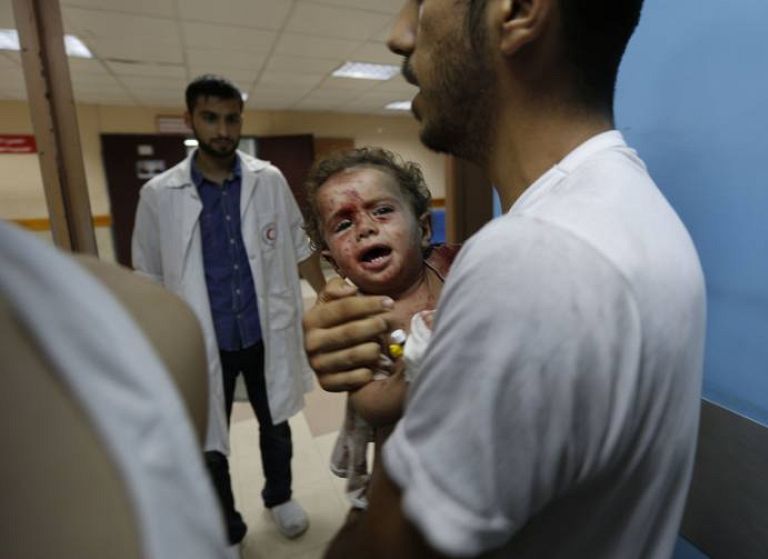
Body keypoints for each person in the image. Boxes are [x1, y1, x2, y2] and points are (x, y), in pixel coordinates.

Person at [303, 0, 707, 557]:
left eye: (421, 3)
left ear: (517, 10)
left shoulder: (533, 257)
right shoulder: (626, 202)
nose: (400, 35)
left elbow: (388, 548)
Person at [132, 74, 325, 545]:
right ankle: (227, 527)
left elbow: (299, 245)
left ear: (241, 120)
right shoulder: (159, 194)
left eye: (231, 119)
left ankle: (279, 497)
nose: (222, 130)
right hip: (203, 340)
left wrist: (327, 298)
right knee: (208, 440)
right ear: (190, 120)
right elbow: (148, 275)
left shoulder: (268, 180)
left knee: (276, 423)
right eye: (210, 118)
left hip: (262, 332)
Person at [0, 221, 230, 558]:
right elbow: (149, 265)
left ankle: (276, 498)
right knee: (217, 452)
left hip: (241, 335)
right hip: (211, 332)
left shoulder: (151, 327)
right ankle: (232, 524)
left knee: (269, 426)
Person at [302, 147, 459, 508]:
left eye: (383, 210)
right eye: (343, 224)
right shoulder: (358, 316)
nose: (365, 227)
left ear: (423, 229)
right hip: (412, 458)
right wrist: (417, 367)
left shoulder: (456, 267)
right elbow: (371, 405)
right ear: (333, 261)